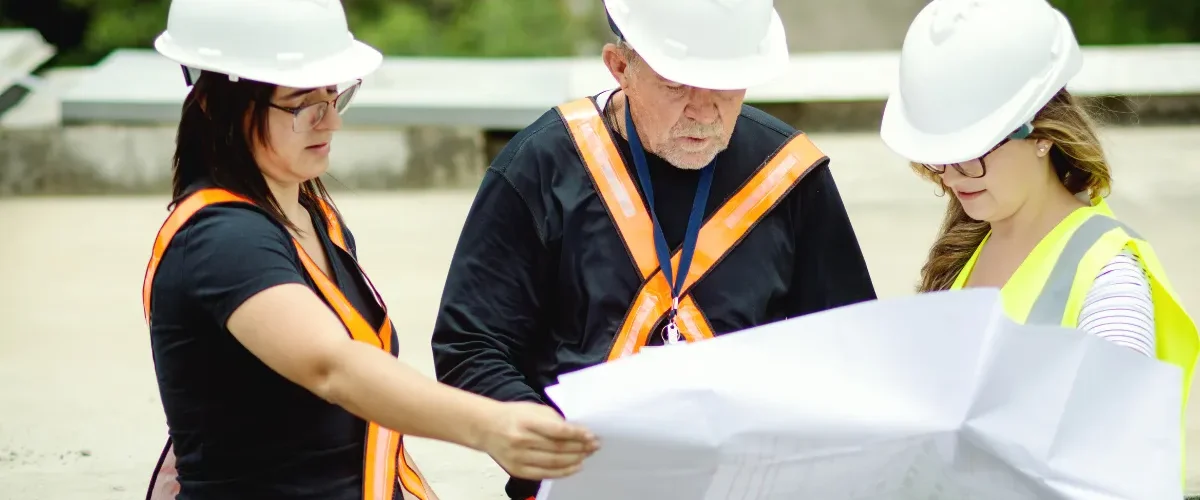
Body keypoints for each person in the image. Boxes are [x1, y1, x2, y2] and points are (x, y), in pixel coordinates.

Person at [140, 1, 598, 499]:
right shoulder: (221, 240)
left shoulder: (308, 214)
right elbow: (332, 366)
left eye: (334, 97)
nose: (330, 122)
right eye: (301, 105)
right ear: (215, 104)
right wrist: (491, 424)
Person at [430, 0, 877, 497]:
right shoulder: (543, 166)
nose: (704, 111)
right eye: (677, 85)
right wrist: (551, 449)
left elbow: (850, 347)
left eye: (725, 86)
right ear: (620, 67)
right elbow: (471, 346)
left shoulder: (789, 174)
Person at [879, 0, 1199, 471]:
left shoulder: (1109, 281)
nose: (950, 177)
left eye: (970, 152)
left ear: (1041, 131)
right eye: (936, 158)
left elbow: (1116, 466)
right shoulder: (968, 243)